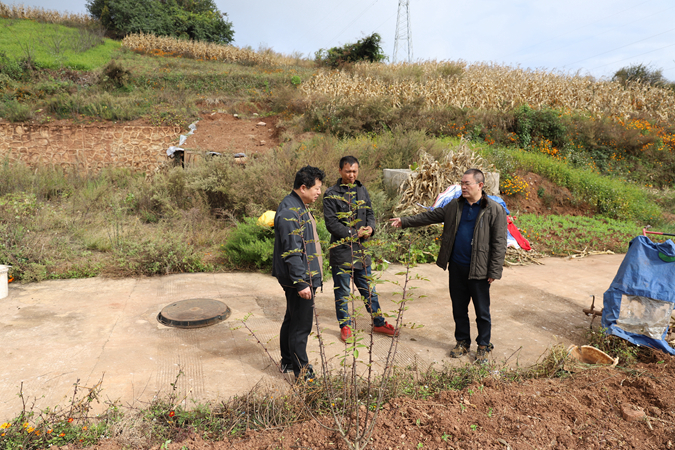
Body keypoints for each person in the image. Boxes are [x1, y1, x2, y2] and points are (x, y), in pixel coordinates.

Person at [390, 169, 507, 364]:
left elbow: (499, 243)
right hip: (457, 267)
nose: (463, 187)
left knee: (482, 312)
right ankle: (462, 342)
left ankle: (484, 345)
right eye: (461, 183)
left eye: (467, 183)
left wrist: (494, 271)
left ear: (480, 185)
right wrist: (404, 221)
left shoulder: (494, 209)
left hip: (479, 270)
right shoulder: (455, 206)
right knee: (459, 308)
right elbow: (431, 216)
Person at [323, 156, 398, 342]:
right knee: (342, 292)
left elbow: (370, 212)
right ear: (340, 171)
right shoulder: (331, 194)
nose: (351, 175)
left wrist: (371, 228)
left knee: (368, 290)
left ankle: (378, 322)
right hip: (341, 252)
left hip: (361, 251)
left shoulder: (361, 189)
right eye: (348, 171)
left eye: (355, 171)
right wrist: (354, 233)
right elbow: (331, 224)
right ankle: (345, 327)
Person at [272, 165, 325, 382]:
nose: (319, 192)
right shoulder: (289, 212)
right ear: (303, 187)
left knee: (292, 318)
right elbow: (292, 251)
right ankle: (302, 371)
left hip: (299, 277)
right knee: (301, 326)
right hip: (299, 279)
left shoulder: (297, 205)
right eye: (317, 188)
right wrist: (302, 282)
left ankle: (287, 361)